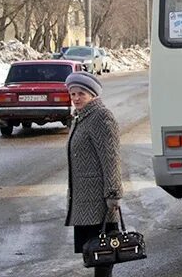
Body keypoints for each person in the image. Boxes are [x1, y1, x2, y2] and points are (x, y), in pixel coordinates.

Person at [64, 71, 123, 277]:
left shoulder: (100, 117)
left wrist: (113, 193)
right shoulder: (81, 117)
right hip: (85, 200)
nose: (77, 98)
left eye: (82, 93)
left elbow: (111, 157)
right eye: (73, 94)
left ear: (93, 95)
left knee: (103, 252)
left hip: (99, 200)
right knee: (95, 252)